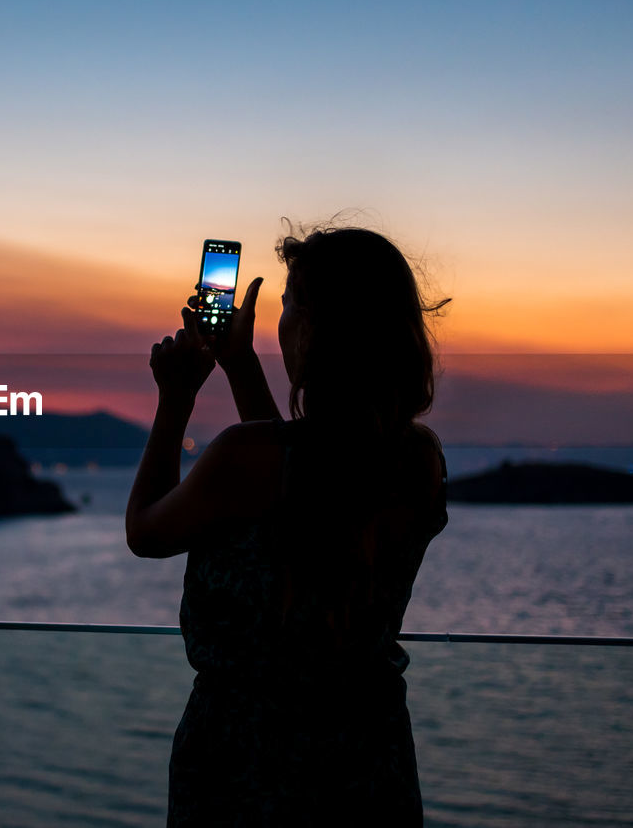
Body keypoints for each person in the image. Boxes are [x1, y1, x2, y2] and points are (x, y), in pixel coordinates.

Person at [125, 224, 450, 826]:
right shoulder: (417, 460)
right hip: (367, 758)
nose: (281, 322)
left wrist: (175, 401)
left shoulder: (243, 457)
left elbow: (146, 532)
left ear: (318, 328)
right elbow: (305, 484)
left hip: (246, 763)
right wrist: (241, 365)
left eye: (288, 304)